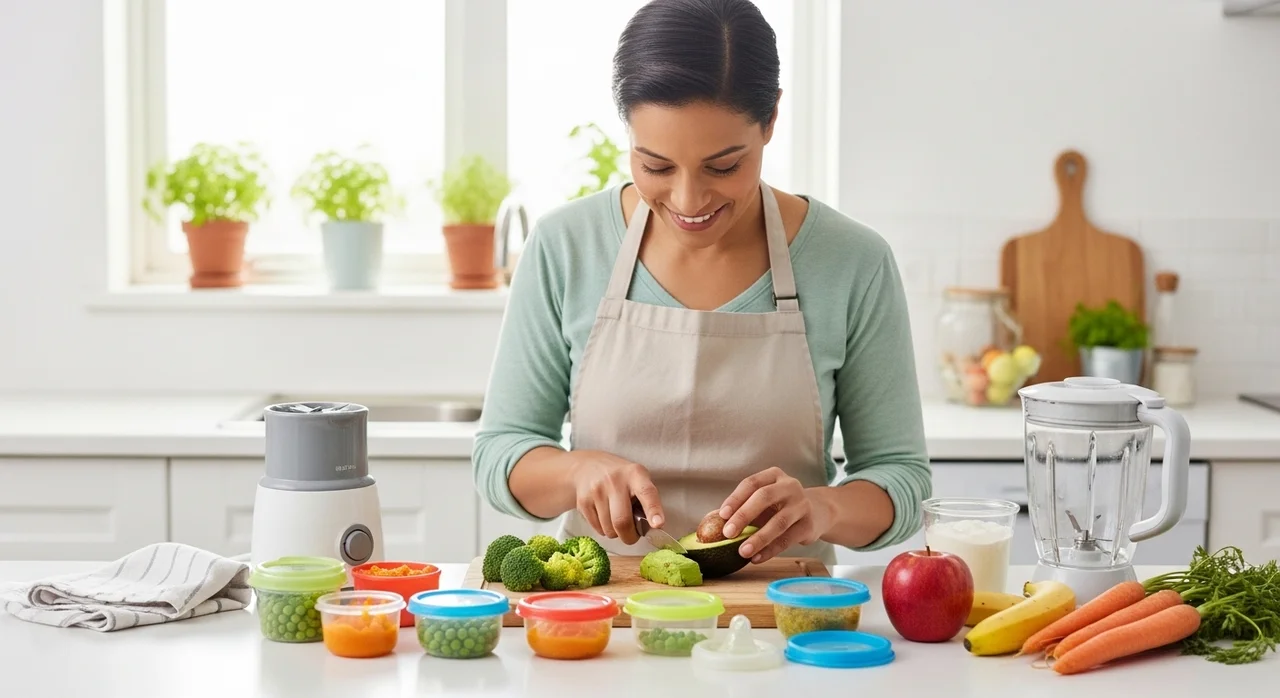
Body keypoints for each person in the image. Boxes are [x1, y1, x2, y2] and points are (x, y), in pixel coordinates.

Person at [473, 0, 930, 568]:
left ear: (770, 121)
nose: (688, 202)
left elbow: (902, 479)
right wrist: (577, 470)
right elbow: (499, 455)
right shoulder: (566, 245)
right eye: (656, 166)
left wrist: (824, 509)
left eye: (723, 167)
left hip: (787, 621)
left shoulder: (853, 261)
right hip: (600, 622)